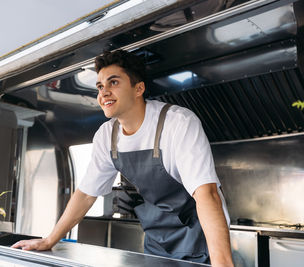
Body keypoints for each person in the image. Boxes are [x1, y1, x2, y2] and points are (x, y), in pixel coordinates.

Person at [12, 50, 234, 266]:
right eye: (100, 86)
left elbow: (207, 194)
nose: (104, 92)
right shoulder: (107, 135)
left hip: (199, 240)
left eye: (113, 82)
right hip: (157, 243)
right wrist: (51, 239)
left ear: (139, 88)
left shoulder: (178, 123)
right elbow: (87, 194)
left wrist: (222, 263)